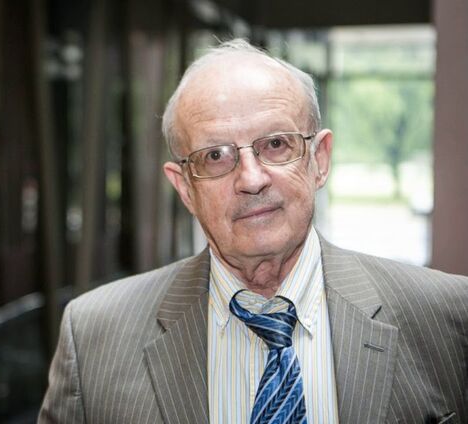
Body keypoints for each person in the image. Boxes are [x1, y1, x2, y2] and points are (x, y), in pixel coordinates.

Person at [38, 39, 468, 424]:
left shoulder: (447, 316)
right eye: (215, 156)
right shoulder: (93, 336)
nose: (251, 178)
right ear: (185, 188)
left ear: (319, 160)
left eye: (276, 144)